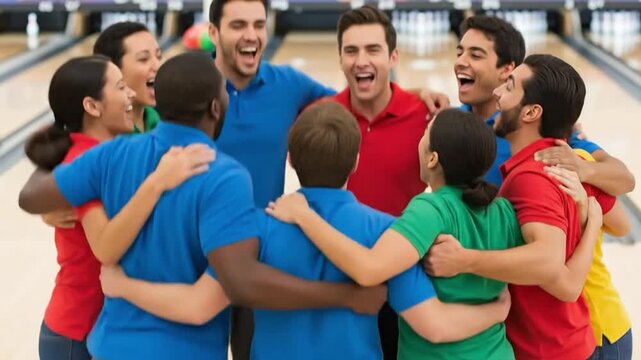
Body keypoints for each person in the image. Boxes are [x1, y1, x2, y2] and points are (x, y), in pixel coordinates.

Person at [18, 52, 386, 359]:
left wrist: (59, 150)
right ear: (215, 106)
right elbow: (239, 283)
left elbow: (31, 197)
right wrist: (347, 296)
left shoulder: (111, 154)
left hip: (111, 346)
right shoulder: (224, 176)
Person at [100, 103, 512, 360]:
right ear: (355, 164)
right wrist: (497, 309)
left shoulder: (256, 229)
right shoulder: (388, 231)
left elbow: (196, 306)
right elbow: (434, 324)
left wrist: (121, 284)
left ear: (292, 160)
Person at [206, 1, 448, 356]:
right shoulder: (324, 112)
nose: (361, 60)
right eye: (351, 51)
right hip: (270, 263)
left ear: (393, 56)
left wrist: (416, 92)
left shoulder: (426, 120)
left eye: (373, 50)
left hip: (392, 275)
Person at [265, 108, 548, 359]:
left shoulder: (429, 209)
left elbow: (369, 269)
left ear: (433, 158)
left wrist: (305, 217)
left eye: (425, 134)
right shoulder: (504, 211)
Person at [425, 54, 628, 359]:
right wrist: (591, 220)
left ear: (532, 112)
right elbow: (621, 225)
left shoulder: (532, 177)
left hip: (552, 348)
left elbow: (549, 263)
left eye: (509, 87)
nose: (496, 93)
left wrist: (464, 260)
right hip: (574, 339)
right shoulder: (564, 160)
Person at [26, 55, 212, 359]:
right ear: (92, 106)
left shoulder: (111, 154)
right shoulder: (82, 161)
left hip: (104, 325)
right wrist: (158, 183)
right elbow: (106, 247)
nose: (132, 95)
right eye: (121, 87)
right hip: (77, 331)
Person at [455, 15, 634, 193]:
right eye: (459, 53)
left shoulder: (533, 128)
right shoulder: (447, 120)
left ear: (507, 69)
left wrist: (584, 168)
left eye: (476, 55)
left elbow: (625, 179)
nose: (460, 61)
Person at [41, 22, 164, 230]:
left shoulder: (167, 118)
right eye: (144, 59)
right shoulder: (99, 143)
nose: (158, 66)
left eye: (159, 56)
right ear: (112, 70)